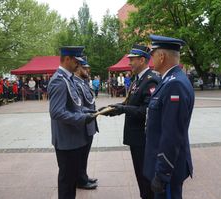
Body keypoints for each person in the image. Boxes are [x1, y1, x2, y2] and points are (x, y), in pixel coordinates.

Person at [104, 44, 161, 199]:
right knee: (140, 174)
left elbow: (146, 111)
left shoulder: (151, 80)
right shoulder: (137, 80)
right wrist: (112, 109)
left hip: (143, 138)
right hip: (135, 137)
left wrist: (122, 109)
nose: (129, 63)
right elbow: (130, 103)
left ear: (142, 60)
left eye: (132, 60)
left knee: (145, 175)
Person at [144, 35, 195, 199]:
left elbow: (171, 134)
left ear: (162, 56)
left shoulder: (175, 84)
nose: (151, 58)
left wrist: (162, 173)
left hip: (168, 168)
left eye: (153, 54)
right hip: (165, 164)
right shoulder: (170, 80)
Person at [48, 46, 97, 199]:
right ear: (67, 59)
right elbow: (56, 112)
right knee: (67, 182)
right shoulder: (59, 81)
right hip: (66, 141)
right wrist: (82, 118)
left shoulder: (67, 79)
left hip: (73, 139)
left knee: (71, 180)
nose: (78, 64)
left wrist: (89, 112)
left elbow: (75, 106)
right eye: (76, 61)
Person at [74, 59, 98, 190]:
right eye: (85, 68)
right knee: (81, 154)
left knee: (85, 154)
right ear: (78, 69)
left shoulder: (83, 83)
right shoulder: (76, 84)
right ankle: (81, 180)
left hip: (89, 122)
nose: (87, 70)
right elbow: (80, 105)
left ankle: (84, 176)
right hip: (83, 123)